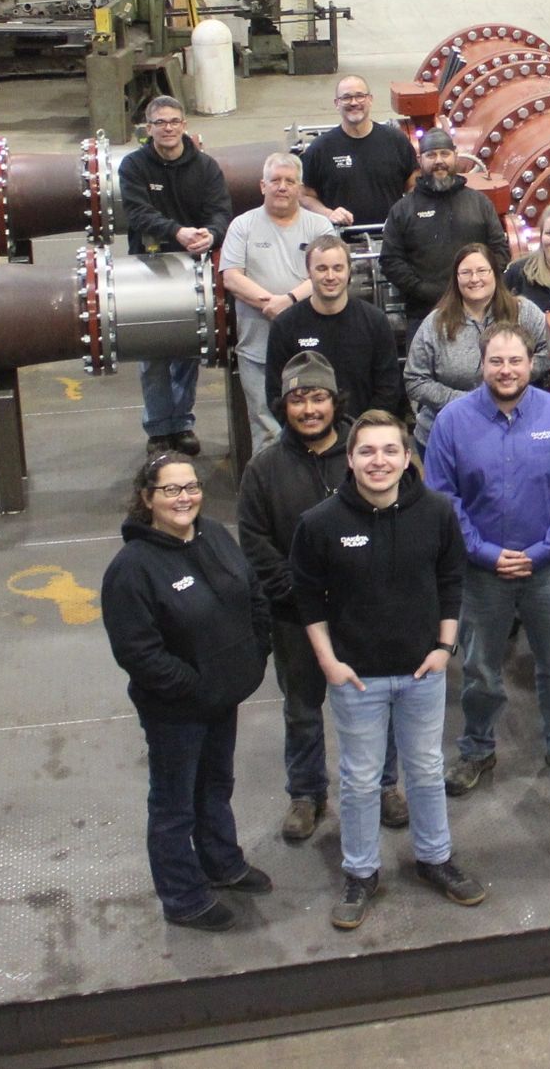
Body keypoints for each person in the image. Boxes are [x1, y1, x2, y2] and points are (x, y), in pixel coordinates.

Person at [288, 410, 488, 927]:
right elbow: (307, 600)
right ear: (350, 459)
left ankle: (435, 859)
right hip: (357, 678)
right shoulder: (320, 524)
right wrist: (329, 662)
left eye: (390, 451)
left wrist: (445, 648)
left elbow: (451, 580)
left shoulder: (437, 512)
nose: (379, 461)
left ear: (406, 458)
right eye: (368, 452)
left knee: (424, 770)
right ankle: (360, 873)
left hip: (423, 671)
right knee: (359, 779)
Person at [423, 323, 550, 796]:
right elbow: (443, 500)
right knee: (480, 670)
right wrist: (484, 552)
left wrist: (542, 551)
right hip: (481, 575)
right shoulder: (453, 422)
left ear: (532, 364)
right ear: (482, 364)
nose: (506, 370)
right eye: (496, 361)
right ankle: (477, 750)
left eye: (515, 361)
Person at [101, 450, 271, 931]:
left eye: (191, 487)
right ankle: (182, 897)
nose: (184, 498)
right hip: (176, 710)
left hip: (223, 697)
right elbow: (139, 653)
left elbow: (251, 592)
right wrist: (195, 688)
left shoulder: (215, 535)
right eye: (171, 490)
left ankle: (221, 862)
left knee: (216, 785)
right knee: (174, 804)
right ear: (146, 498)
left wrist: (256, 653)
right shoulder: (132, 569)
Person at [236, 353, 353, 845]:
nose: (309, 409)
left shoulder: (363, 452)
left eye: (318, 397)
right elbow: (255, 542)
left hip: (362, 612)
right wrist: (303, 598)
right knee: (302, 708)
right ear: (283, 405)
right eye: (299, 399)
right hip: (294, 618)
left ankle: (384, 785)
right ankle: (306, 794)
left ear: (335, 401)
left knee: (372, 706)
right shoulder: (263, 469)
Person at [116, 95, 232, 457]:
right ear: (148, 129)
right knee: (152, 355)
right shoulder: (133, 167)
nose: (168, 128)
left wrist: (211, 235)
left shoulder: (206, 167)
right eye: (160, 123)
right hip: (147, 271)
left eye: (174, 121)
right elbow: (137, 213)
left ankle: (180, 423)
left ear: (185, 125)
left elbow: (220, 211)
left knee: (187, 352)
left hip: (192, 268)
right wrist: (177, 232)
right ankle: (158, 429)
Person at [220, 151, 339, 454]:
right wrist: (269, 303)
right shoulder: (242, 226)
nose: (282, 187)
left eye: (290, 181)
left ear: (300, 188)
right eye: (275, 181)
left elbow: (329, 273)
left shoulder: (319, 227)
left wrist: (287, 301)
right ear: (262, 186)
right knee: (267, 430)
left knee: (320, 425)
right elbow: (232, 278)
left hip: (314, 349)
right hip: (258, 348)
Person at [404, 243, 550, 448]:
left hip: (516, 431)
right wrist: (469, 402)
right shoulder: (436, 323)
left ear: (495, 274)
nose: (475, 279)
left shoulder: (524, 312)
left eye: (482, 271)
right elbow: (414, 379)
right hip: (447, 436)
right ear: (456, 278)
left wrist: (513, 378)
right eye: (466, 273)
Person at [266, 233, 403, 425]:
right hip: (307, 435)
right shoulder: (285, 325)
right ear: (309, 272)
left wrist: (364, 432)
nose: (330, 276)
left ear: (349, 271)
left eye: (337, 268)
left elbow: (388, 388)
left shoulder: (375, 321)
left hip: (363, 437)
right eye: (321, 269)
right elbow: (275, 394)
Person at [380, 129, 510, 322]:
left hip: (482, 312)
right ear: (420, 160)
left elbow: (500, 251)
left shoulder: (480, 203)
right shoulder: (402, 209)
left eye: (444, 154)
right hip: (425, 313)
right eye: (431, 155)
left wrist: (476, 286)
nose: (438, 161)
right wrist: (425, 291)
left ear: (455, 156)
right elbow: (391, 261)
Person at [298, 74, 418, 230]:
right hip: (340, 240)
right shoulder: (320, 149)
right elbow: (305, 196)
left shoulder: (396, 141)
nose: (354, 103)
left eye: (360, 96)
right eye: (346, 98)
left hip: (392, 237)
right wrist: (329, 214)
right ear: (337, 103)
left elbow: (414, 187)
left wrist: (403, 213)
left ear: (370, 99)